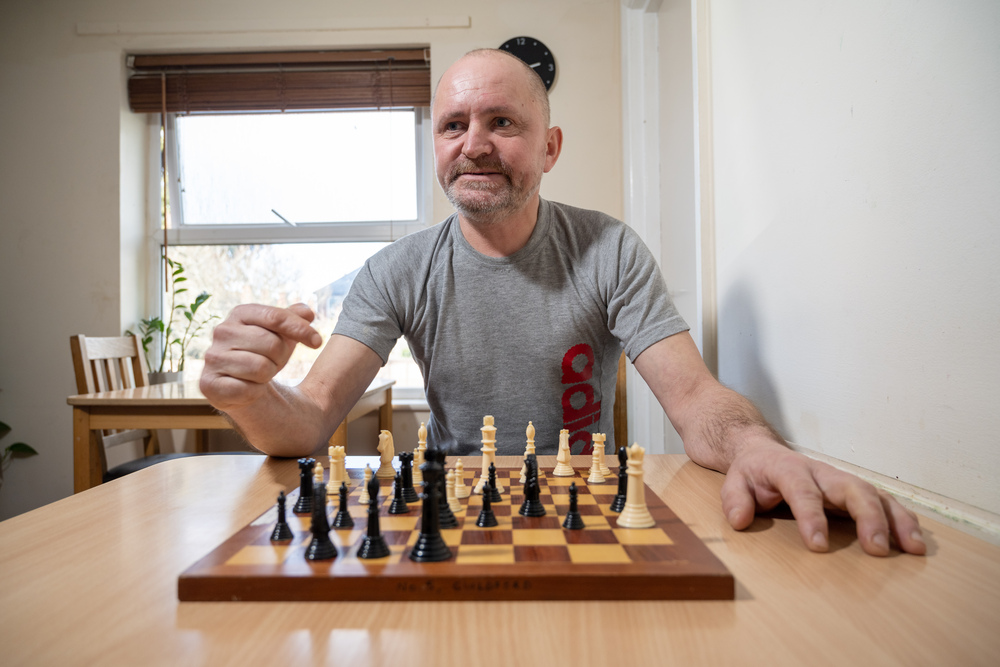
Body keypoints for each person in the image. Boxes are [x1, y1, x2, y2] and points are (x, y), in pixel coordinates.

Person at [200, 49, 925, 557]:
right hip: (460, 521)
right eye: (454, 125)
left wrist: (759, 446)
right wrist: (251, 394)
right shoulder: (396, 271)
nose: (474, 144)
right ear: (436, 146)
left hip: (593, 518)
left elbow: (699, 401)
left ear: (549, 147)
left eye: (501, 123)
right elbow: (310, 418)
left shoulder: (607, 250)